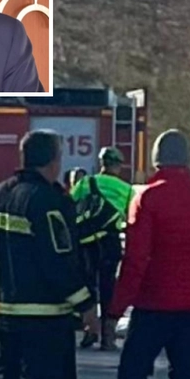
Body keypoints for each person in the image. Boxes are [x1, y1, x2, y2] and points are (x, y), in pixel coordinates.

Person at [108, 130, 190, 379]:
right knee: (188, 377)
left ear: (156, 160)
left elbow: (135, 260)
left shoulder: (147, 199)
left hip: (152, 304)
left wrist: (115, 308)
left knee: (132, 374)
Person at [0, 130, 96, 379]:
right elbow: (59, 259)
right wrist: (86, 305)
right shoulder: (49, 201)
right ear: (54, 161)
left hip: (5, 312)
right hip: (46, 317)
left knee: (8, 377)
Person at [71, 147, 133, 350]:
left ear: (101, 164)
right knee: (108, 287)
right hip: (110, 242)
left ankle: (90, 328)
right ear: (118, 166)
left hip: (86, 242)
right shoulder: (127, 190)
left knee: (87, 285)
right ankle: (108, 336)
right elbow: (132, 218)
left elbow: (70, 206)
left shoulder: (86, 183)